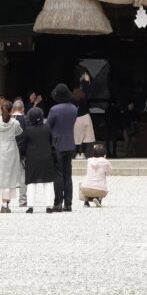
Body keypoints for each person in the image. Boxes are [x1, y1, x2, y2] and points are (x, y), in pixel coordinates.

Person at [47, 83, 78, 212]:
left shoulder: (54, 110)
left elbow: (48, 125)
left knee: (58, 174)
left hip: (57, 144)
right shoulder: (74, 109)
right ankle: (68, 203)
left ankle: (58, 203)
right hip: (70, 143)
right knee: (67, 174)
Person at [21, 105, 56, 213]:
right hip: (46, 157)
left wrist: (23, 156)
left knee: (31, 182)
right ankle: (49, 206)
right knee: (48, 182)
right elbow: (51, 142)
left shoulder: (28, 130)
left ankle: (30, 206)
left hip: (32, 159)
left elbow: (23, 145)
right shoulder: (47, 128)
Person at [80, 143, 111, 207]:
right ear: (104, 154)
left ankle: (86, 202)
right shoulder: (106, 162)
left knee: (82, 184)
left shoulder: (89, 160)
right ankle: (98, 199)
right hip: (100, 191)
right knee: (101, 184)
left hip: (86, 190)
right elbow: (108, 173)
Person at [11, 99, 29, 207]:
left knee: (7, 175)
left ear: (13, 109)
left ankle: (5, 201)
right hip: (23, 151)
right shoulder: (27, 120)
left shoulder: (8, 119)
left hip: (9, 150)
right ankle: (22, 200)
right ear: (23, 109)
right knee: (23, 175)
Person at [73, 87, 96, 159]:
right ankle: (82, 153)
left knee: (77, 137)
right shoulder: (84, 100)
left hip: (77, 119)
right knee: (85, 137)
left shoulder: (72, 101)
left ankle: (77, 153)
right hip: (86, 118)